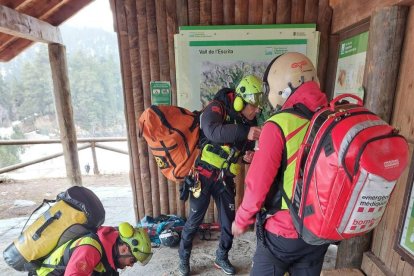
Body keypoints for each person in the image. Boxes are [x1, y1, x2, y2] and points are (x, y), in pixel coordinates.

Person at [232, 52, 330, 276]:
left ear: (279, 86)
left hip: (283, 232)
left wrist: (242, 219)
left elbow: (258, 184)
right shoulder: (331, 117)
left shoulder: (278, 124)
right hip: (320, 231)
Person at [178, 75, 263, 276]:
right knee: (194, 219)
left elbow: (242, 151)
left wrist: (248, 157)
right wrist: (245, 131)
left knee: (228, 222)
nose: (257, 110)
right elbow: (213, 131)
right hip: (203, 175)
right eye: (254, 105)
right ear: (240, 100)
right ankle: (183, 258)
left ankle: (221, 256)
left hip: (225, 179)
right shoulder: (217, 107)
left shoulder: (250, 121)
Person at [36, 222, 152, 275]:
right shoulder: (90, 249)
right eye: (132, 260)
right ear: (124, 249)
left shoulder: (108, 250)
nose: (131, 265)